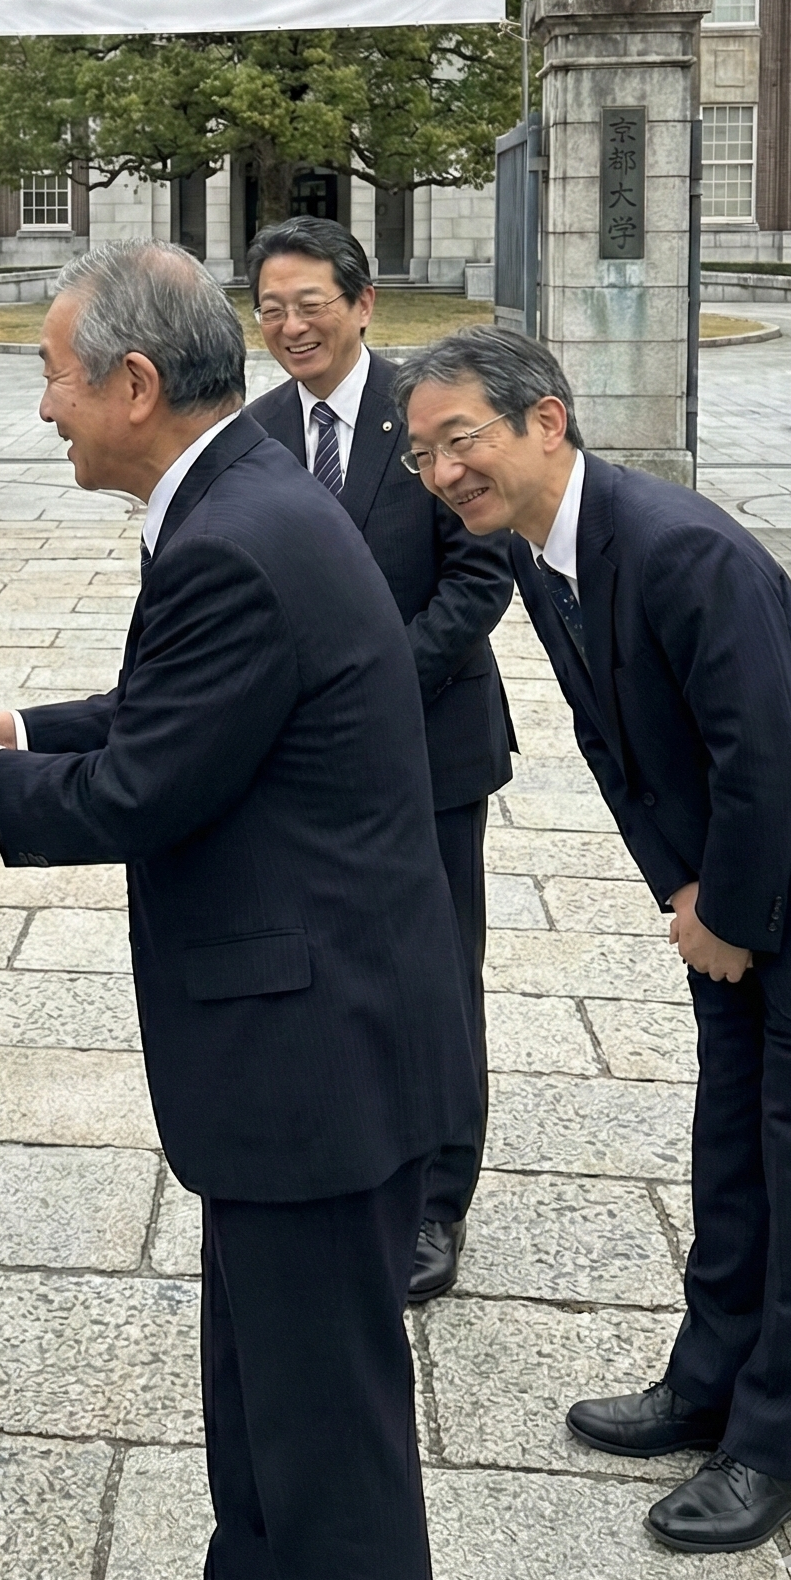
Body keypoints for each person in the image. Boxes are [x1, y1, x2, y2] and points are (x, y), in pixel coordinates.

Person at [0, 243, 476, 1580]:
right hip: (311, 1041)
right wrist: (19, 726)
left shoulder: (233, 537)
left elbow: (150, 789)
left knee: (330, 1437)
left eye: (56, 381)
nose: (44, 413)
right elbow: (180, 710)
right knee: (259, 1384)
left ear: (136, 385)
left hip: (312, 1055)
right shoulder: (243, 494)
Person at [395, 326, 791, 1556]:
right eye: (423, 453)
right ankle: (706, 1385)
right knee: (729, 1145)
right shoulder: (541, 556)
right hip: (733, 888)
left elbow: (769, 757)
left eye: (459, 440)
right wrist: (684, 898)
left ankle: (780, 1450)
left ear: (547, 420)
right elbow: (616, 748)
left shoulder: (683, 547)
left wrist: (730, 918)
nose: (441, 474)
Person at [247, 217, 514, 1301]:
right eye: (271, 308)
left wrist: (369, 692)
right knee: (327, 964)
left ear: (363, 305)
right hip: (295, 767)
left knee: (437, 973)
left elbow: (480, 577)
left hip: (427, 747)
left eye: (312, 303)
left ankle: (438, 1203)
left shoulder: (428, 414)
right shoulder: (254, 430)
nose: (292, 326)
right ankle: (349, 1156)